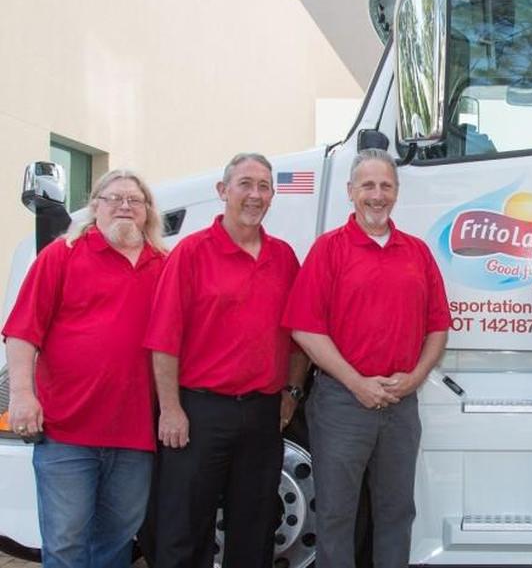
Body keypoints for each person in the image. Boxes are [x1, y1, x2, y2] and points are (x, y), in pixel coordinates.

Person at [284, 149, 450, 568]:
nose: (377, 195)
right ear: (350, 192)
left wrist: (414, 377)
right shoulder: (328, 250)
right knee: (337, 516)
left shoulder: (416, 253)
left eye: (386, 186)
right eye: (368, 186)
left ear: (396, 192)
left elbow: (438, 327)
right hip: (342, 403)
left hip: (400, 402)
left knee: (396, 513)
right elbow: (304, 328)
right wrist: (357, 382)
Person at [145, 153, 307, 568]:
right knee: (185, 527)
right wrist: (171, 409)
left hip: (262, 414)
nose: (255, 195)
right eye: (245, 184)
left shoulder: (284, 258)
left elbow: (300, 336)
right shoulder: (191, 253)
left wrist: (290, 391)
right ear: (223, 191)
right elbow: (164, 340)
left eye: (264, 186)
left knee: (254, 529)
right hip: (200, 412)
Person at [3, 170, 166, 568]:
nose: (125, 206)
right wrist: (23, 396)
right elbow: (23, 332)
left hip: (135, 435)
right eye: (114, 198)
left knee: (115, 543)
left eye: (135, 200)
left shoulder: (165, 265)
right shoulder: (61, 255)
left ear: (147, 212)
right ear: (95, 207)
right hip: (66, 432)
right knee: (66, 543)